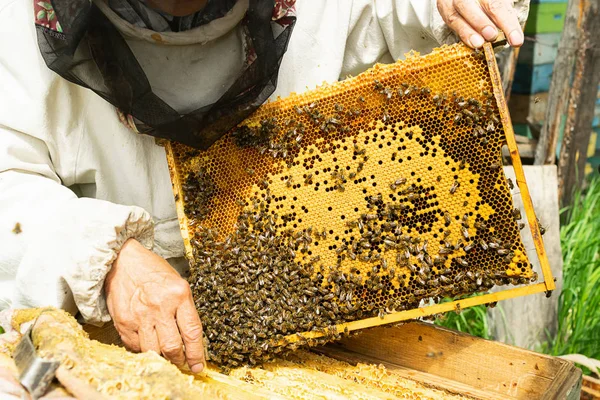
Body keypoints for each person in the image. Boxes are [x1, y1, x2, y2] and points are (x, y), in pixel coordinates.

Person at [0, 0, 527, 374]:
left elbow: (400, 11)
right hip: (84, 347)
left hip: (304, 327)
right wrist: (104, 257)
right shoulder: (13, 33)